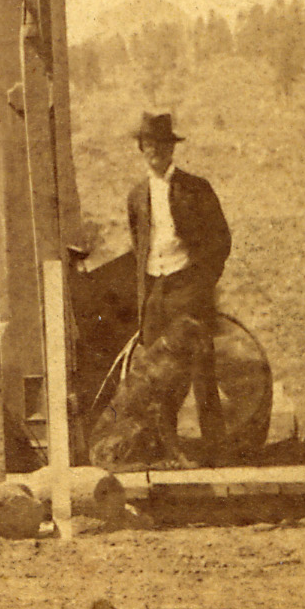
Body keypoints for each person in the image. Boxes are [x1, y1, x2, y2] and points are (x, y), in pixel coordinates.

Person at [112, 111, 233, 464]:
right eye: (149, 145)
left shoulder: (196, 188)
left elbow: (220, 240)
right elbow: (139, 243)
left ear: (172, 149)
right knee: (156, 371)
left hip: (188, 286)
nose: (156, 152)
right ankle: (166, 448)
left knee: (200, 368)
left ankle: (216, 449)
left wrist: (201, 282)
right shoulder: (137, 195)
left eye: (162, 145)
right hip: (155, 291)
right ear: (141, 149)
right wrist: (148, 288)